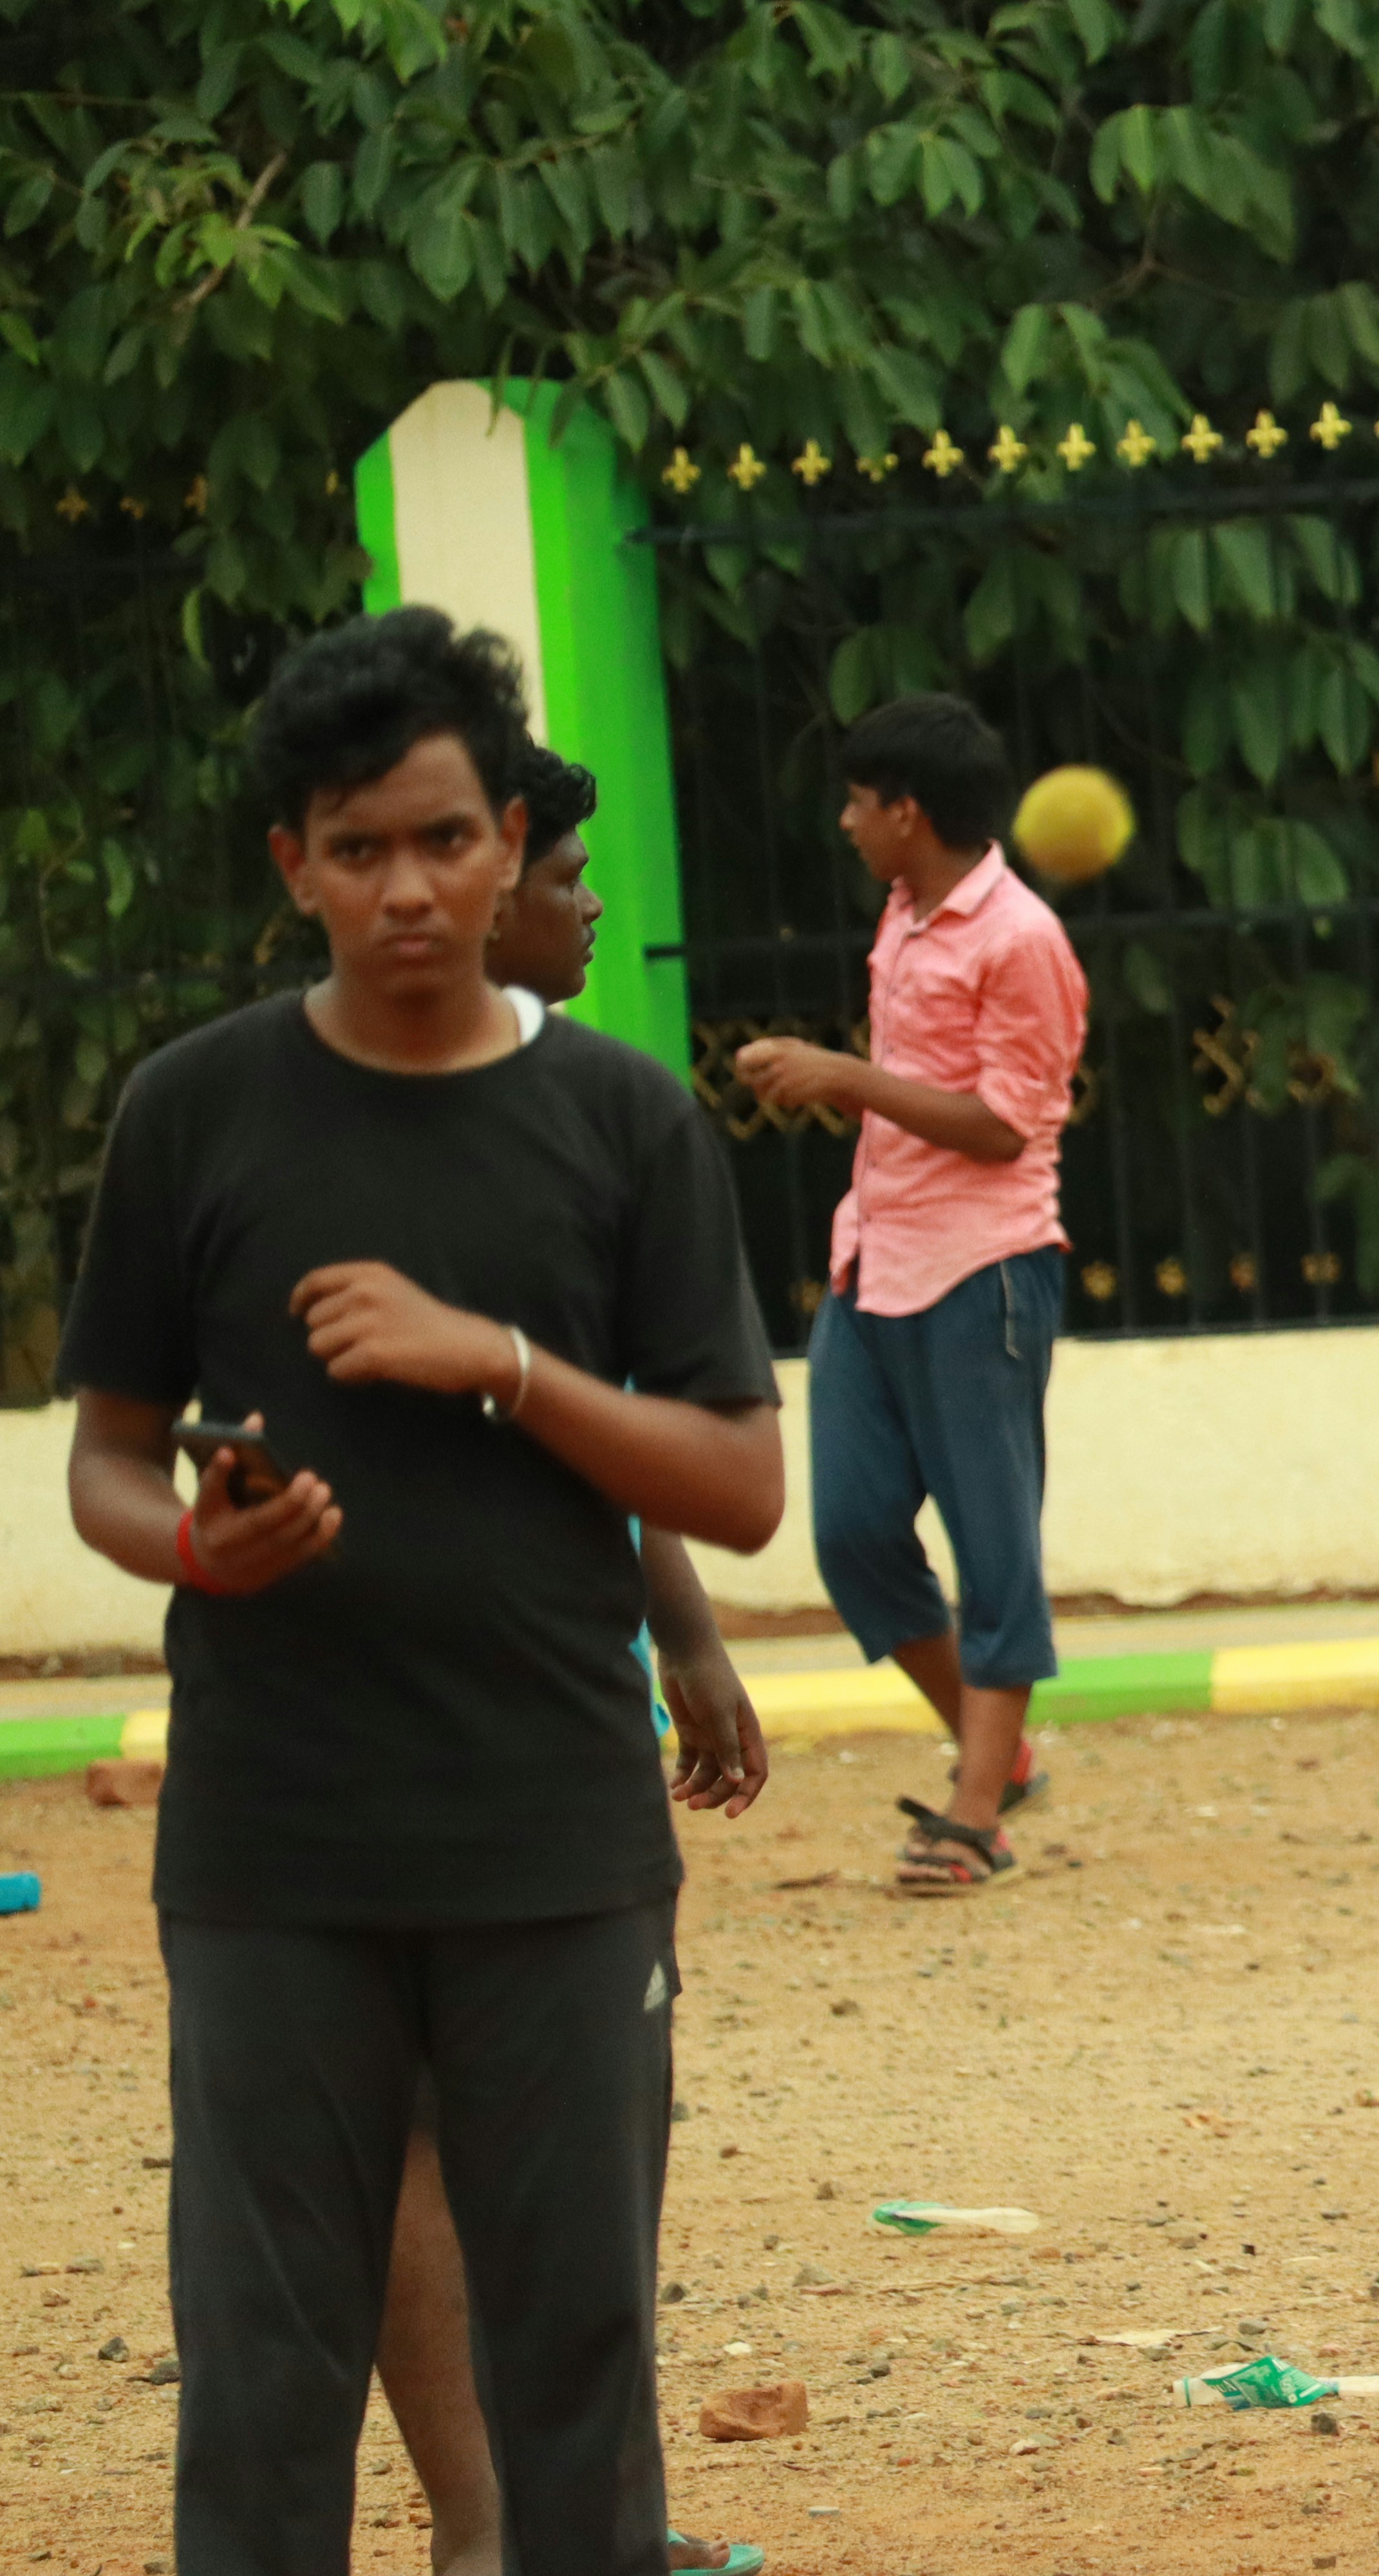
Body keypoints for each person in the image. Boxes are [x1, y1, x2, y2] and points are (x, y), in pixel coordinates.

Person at [58, 607, 785, 2574]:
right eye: (357, 849)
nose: (407, 890)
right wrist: (198, 1546)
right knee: (263, 2386)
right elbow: (105, 1460)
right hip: (273, 1849)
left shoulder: (625, 1122)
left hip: (553, 1839)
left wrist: (507, 1364)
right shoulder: (193, 1114)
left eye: (447, 841)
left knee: (580, 2375)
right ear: (292, 862)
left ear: (502, 841)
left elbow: (738, 1484)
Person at [363, 744, 769, 2576]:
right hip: (434, 1708)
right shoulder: (424, 1122)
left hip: (544, 1687)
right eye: (571, 870)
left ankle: (575, 2519)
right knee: (478, 2132)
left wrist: (683, 1633)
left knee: (563, 2120)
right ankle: (503, 2527)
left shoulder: (584, 1117)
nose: (595, 901)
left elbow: (612, 1423)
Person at [731, 694, 1086, 1894]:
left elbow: (1004, 1126)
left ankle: (976, 1811)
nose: (843, 823)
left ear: (908, 812)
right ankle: (1002, 1751)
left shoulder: (1020, 939)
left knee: (994, 1550)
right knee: (853, 1537)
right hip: (874, 1262)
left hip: (982, 1268)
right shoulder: (906, 912)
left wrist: (845, 1079)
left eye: (856, 802)